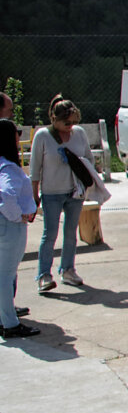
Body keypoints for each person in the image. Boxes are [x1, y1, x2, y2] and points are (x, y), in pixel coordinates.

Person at [29, 97, 91, 292]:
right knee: (50, 234)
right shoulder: (42, 136)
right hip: (51, 193)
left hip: (75, 192)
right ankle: (44, 275)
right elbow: (35, 169)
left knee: (71, 233)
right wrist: (34, 195)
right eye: (67, 123)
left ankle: (68, 270)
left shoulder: (79, 134)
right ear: (54, 119)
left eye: (74, 122)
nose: (71, 126)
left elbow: (88, 158)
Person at [1, 119, 38, 338]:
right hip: (10, 226)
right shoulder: (8, 167)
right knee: (5, 276)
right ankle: (10, 324)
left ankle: (5, 319)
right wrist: (18, 216)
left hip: (5, 223)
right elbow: (6, 196)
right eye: (17, 133)